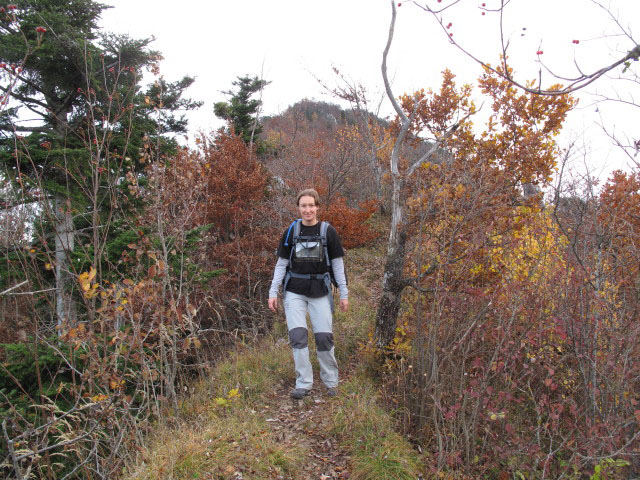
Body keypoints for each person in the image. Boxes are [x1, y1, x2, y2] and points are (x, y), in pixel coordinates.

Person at [268, 189, 349, 399]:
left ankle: (331, 382)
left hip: (320, 291)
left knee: (324, 338)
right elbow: (281, 264)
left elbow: (338, 265)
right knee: (298, 337)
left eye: (311, 205)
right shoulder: (290, 232)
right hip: (294, 291)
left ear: (318, 207)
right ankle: (303, 383)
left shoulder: (328, 232)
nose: (307, 210)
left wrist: (344, 293)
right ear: (298, 208)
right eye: (303, 206)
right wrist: (272, 292)